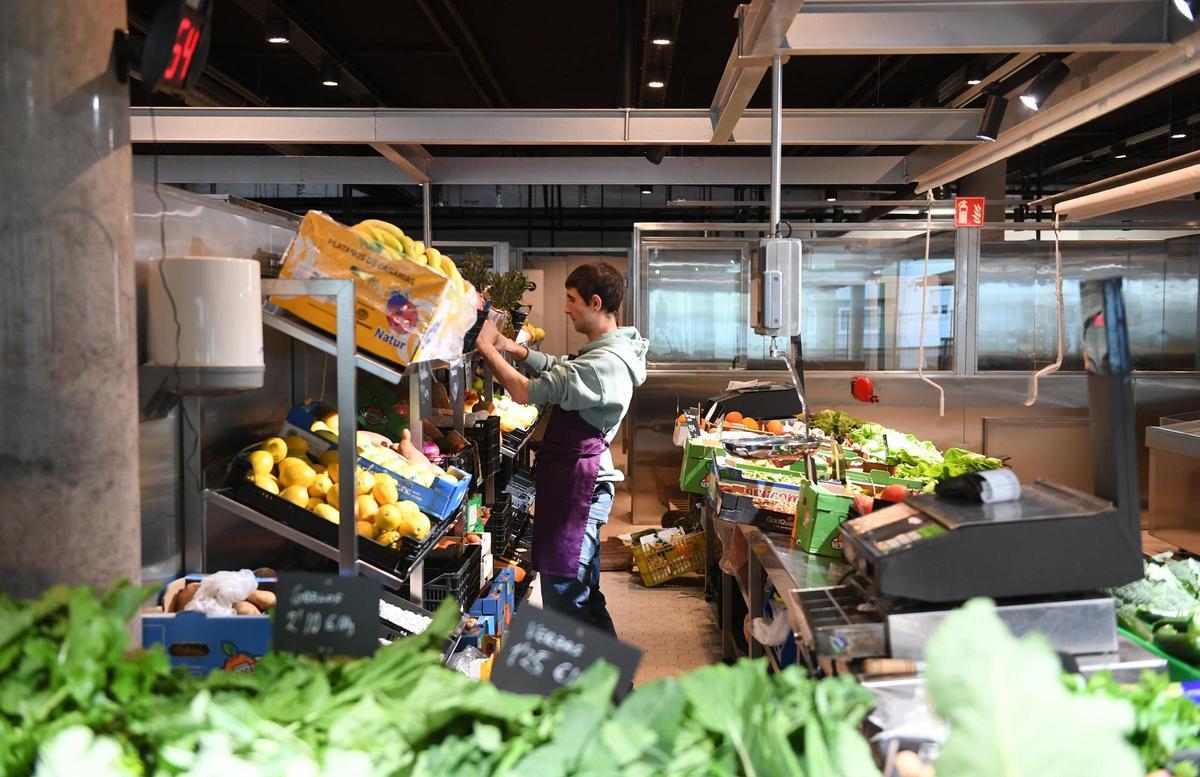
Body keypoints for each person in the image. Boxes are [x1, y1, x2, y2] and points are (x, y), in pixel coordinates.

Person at [475, 262, 647, 633]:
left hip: (579, 490)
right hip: (576, 482)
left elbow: (524, 392)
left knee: (566, 594)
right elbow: (560, 367)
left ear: (595, 303)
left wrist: (486, 348)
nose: (566, 308)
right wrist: (511, 347)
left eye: (571, 300)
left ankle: (595, 686)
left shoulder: (602, 366)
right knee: (581, 593)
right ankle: (612, 687)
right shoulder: (609, 350)